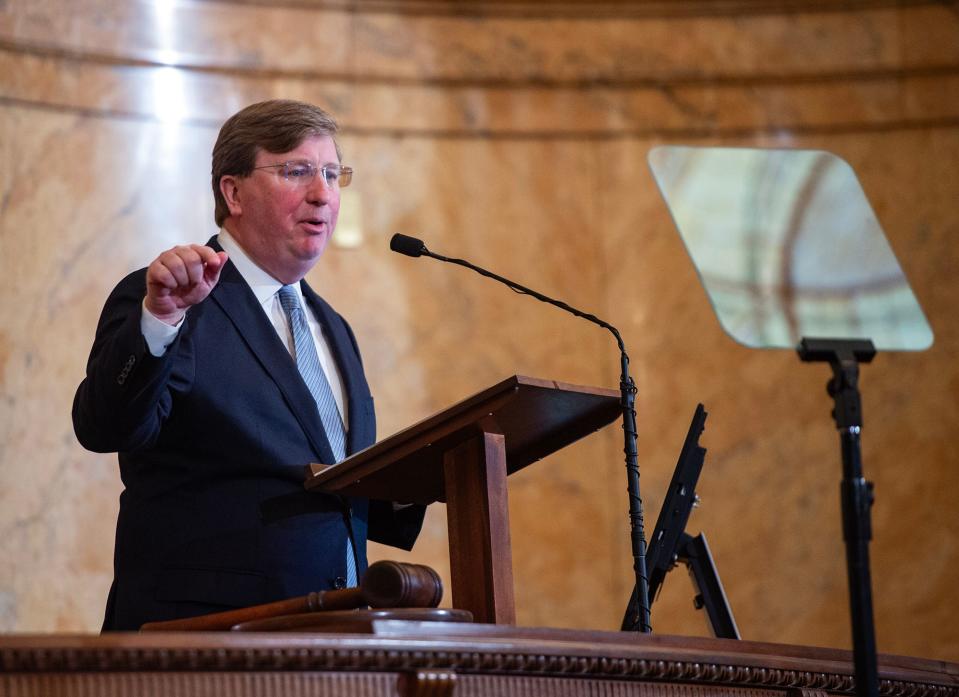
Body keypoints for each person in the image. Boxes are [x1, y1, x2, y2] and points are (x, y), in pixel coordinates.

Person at [73, 100, 425, 631]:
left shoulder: (333, 327)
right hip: (206, 638)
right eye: (296, 171)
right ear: (232, 191)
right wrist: (159, 319)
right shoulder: (171, 299)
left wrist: (436, 470)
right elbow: (105, 426)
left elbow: (319, 483)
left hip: (336, 634)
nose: (323, 193)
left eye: (332, 174)